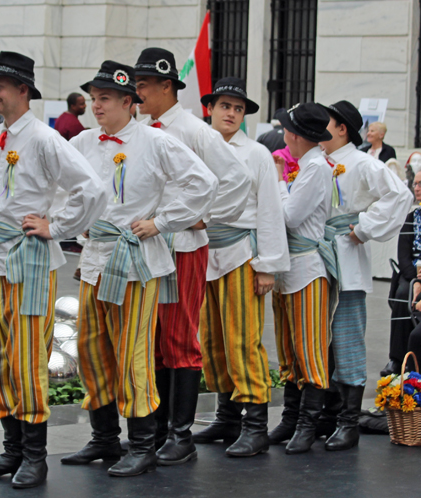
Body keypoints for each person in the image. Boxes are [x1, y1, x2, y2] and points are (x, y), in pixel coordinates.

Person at [60, 61, 218, 477]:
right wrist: (65, 224)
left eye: (105, 98)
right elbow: (64, 188)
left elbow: (204, 183)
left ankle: (145, 442)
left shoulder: (155, 141)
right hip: (94, 257)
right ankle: (105, 437)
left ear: (129, 102)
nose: (96, 106)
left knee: (134, 352)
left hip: (135, 260)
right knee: (91, 349)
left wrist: (162, 222)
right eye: (93, 99)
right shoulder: (83, 142)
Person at [0, 51, 107, 489]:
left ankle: (34, 455)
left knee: (28, 357)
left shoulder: (45, 139)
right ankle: (11, 449)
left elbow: (91, 187)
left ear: (22, 91)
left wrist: (57, 227)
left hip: (29, 259)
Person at [134, 47, 252, 466]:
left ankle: (180, 435)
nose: (137, 90)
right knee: (156, 341)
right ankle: (165, 428)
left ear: (167, 86)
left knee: (180, 337)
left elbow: (237, 178)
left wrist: (206, 217)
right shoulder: (143, 128)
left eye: (144, 83)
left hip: (183, 247)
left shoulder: (193, 130)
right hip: (150, 245)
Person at [192, 78, 290, 457]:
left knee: (242, 338)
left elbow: (269, 209)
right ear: (210, 109)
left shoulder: (256, 154)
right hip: (202, 251)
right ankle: (227, 414)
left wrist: (267, 266)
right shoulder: (197, 146)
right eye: (224, 106)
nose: (230, 113)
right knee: (212, 338)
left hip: (241, 253)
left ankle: (255, 424)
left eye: (237, 108)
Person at [318, 100, 412, 451]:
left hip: (346, 254)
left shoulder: (362, 163)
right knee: (318, 337)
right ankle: (324, 415)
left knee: (347, 337)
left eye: (326, 122)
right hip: (317, 256)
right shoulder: (318, 161)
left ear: (342, 128)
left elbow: (399, 195)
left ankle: (348, 420)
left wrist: (364, 228)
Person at [268, 102, 335, 455]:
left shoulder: (316, 169)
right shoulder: (308, 167)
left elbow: (291, 217)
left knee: (309, 349)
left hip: (307, 268)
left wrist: (279, 182)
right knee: (290, 349)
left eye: (286, 131)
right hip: (289, 267)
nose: (284, 136)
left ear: (295, 135)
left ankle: (307, 424)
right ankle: (292, 418)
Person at [383, 169, 421, 376]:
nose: (416, 188)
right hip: (412, 273)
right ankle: (397, 359)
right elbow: (403, 255)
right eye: (415, 184)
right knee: (401, 295)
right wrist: (414, 279)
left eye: (420, 184)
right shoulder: (411, 218)